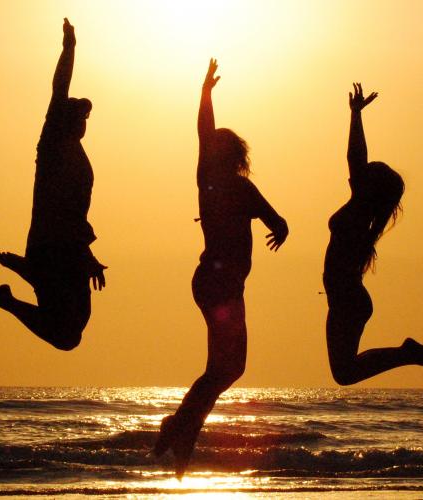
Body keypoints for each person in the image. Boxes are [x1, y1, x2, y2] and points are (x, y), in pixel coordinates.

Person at [154, 59, 288, 478]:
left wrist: (206, 93)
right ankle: (179, 428)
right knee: (227, 368)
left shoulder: (210, 183)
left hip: (214, 284)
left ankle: (182, 433)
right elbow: (278, 220)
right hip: (222, 287)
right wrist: (205, 95)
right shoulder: (228, 184)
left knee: (225, 368)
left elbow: (276, 220)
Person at [0, 18, 106, 351]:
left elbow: (74, 214)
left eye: (85, 118)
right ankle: (21, 284)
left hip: (65, 247)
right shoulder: (52, 142)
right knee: (68, 334)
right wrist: (69, 47)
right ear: (64, 119)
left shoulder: (77, 152)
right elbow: (59, 89)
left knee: (73, 328)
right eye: (78, 117)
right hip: (55, 247)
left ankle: (27, 275)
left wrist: (87, 254)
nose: (83, 123)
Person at [324, 83, 423, 386]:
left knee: (344, 372)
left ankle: (405, 353)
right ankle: (406, 353)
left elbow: (355, 157)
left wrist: (355, 116)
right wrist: (356, 115)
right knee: (345, 371)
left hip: (348, 300)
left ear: (369, 186)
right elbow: (357, 162)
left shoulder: (360, 209)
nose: (358, 174)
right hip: (347, 299)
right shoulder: (361, 211)